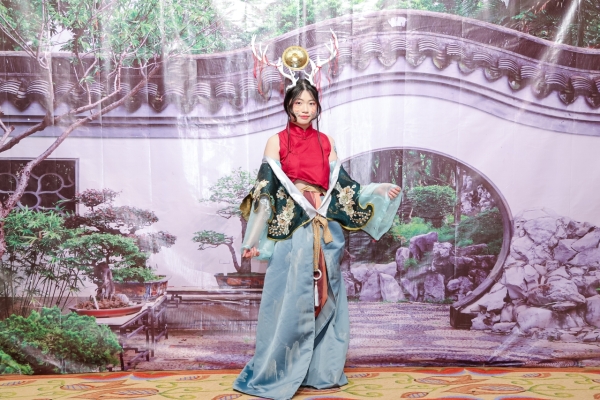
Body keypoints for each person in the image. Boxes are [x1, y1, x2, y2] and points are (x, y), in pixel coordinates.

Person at [233, 78, 401, 400]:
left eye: (311, 103)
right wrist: (252, 239)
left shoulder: (326, 141)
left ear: (317, 107)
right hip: (294, 224)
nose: (305, 109)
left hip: (325, 226)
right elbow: (265, 192)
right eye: (299, 103)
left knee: (327, 292)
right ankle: (280, 369)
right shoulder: (276, 141)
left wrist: (377, 190)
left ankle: (320, 371)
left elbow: (344, 187)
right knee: (292, 295)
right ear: (289, 105)